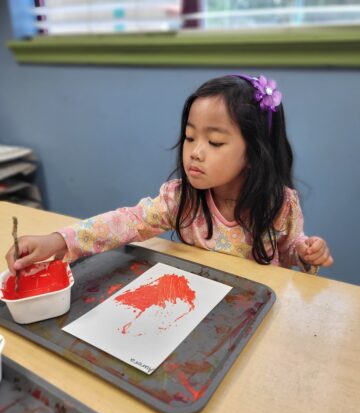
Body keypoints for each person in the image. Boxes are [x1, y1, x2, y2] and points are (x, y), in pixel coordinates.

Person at [5, 74, 333, 275]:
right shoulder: (181, 198)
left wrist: (306, 253)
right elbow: (126, 222)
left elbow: (289, 255)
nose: (196, 151)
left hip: (253, 314)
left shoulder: (280, 204)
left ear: (255, 152)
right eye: (190, 137)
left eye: (215, 141)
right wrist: (57, 240)